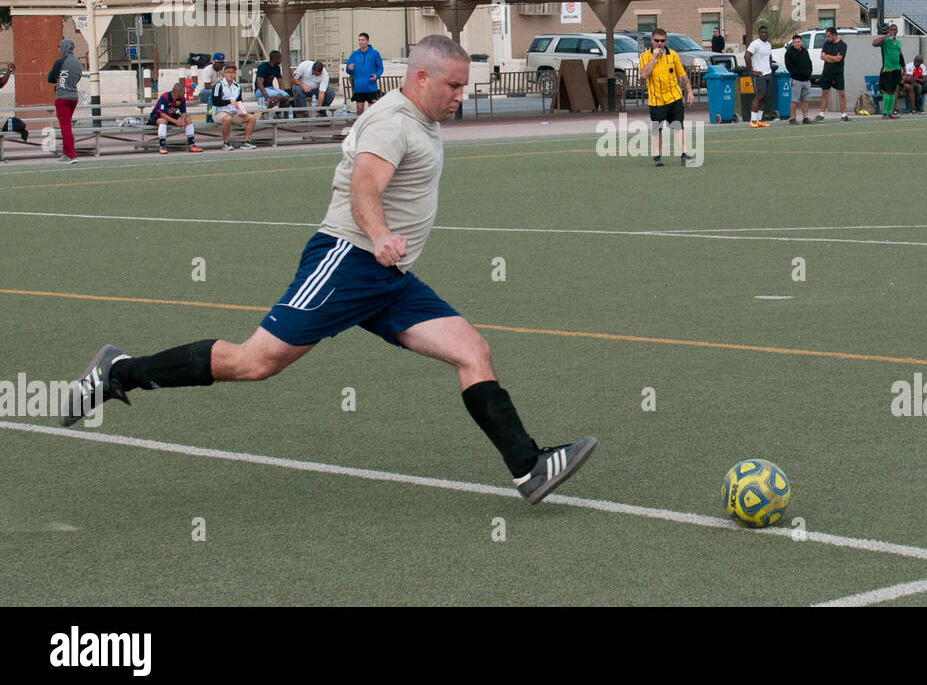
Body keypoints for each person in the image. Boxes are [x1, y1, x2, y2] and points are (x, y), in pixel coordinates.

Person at [57, 35, 596, 506]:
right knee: (255, 362)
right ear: (422, 76)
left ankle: (528, 467)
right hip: (348, 260)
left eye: (464, 87)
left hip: (388, 278)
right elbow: (365, 186)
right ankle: (118, 373)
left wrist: (388, 250)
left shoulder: (420, 117)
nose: (460, 96)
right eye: (454, 86)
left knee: (471, 350)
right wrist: (380, 234)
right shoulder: (391, 122)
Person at [638, 27, 695, 166]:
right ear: (652, 40)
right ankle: (657, 157)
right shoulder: (645, 56)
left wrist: (689, 91)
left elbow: (682, 75)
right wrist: (653, 58)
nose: (659, 43)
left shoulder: (673, 55)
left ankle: (684, 154)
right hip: (656, 100)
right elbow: (644, 74)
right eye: (656, 40)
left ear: (665, 41)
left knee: (678, 125)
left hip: (674, 97)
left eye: (662, 41)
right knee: (657, 128)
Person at [47, 38, 82, 163]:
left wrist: (59, 79)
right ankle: (66, 153)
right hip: (74, 97)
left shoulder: (60, 61)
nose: (58, 49)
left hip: (62, 97)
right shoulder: (78, 63)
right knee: (66, 126)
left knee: (65, 127)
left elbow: (50, 78)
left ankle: (71, 154)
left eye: (59, 46)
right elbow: (78, 78)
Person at [211, 65, 259, 150]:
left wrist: (242, 111)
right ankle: (226, 143)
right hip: (219, 112)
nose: (231, 74)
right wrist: (229, 101)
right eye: (228, 72)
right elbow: (215, 101)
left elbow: (239, 101)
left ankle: (245, 142)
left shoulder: (237, 86)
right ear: (224, 74)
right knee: (227, 118)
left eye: (233, 72)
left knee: (251, 118)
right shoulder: (219, 85)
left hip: (234, 113)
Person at [149, 81, 203, 154]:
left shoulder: (182, 99)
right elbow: (163, 114)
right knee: (163, 121)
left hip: (171, 115)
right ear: (177, 92)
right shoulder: (165, 97)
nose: (184, 93)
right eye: (183, 92)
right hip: (157, 116)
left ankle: (191, 145)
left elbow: (183, 112)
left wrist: (182, 120)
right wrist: (176, 122)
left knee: (188, 120)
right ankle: (162, 146)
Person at [816, 27, 850, 121]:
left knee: (841, 93)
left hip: (838, 72)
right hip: (827, 72)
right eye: (827, 36)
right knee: (824, 92)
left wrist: (828, 57)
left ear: (834, 35)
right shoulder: (826, 44)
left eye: (829, 36)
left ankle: (844, 115)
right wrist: (832, 58)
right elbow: (822, 57)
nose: (827, 38)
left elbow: (839, 59)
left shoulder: (843, 45)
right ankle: (821, 114)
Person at [346, 32, 384, 114]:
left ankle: (373, 127)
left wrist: (377, 75)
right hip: (359, 87)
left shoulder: (375, 53)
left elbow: (380, 67)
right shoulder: (354, 54)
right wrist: (349, 68)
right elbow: (348, 70)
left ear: (367, 41)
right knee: (359, 110)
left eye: (363, 40)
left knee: (373, 111)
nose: (360, 42)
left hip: (371, 87)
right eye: (359, 40)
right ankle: (360, 127)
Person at [743, 26, 773, 128]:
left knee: (764, 97)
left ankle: (759, 120)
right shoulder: (755, 44)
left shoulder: (768, 44)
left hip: (768, 74)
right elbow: (747, 56)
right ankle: (753, 121)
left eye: (766, 32)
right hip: (758, 75)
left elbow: (769, 56)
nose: (765, 34)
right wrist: (752, 71)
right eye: (763, 32)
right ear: (759, 33)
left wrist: (769, 67)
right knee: (758, 96)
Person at [870, 23, 902, 120]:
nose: (893, 31)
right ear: (888, 31)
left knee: (893, 91)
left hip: (897, 69)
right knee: (888, 91)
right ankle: (884, 113)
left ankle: (890, 112)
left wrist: (903, 68)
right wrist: (885, 36)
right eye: (891, 29)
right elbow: (874, 43)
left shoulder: (898, 42)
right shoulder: (885, 41)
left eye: (894, 29)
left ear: (897, 31)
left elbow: (900, 55)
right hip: (888, 69)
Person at [783, 34, 813, 124]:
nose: (797, 43)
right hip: (796, 80)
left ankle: (805, 118)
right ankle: (792, 118)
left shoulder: (805, 51)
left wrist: (809, 73)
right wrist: (798, 74)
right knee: (794, 100)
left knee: (805, 100)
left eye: (798, 42)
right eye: (795, 42)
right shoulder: (789, 53)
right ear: (793, 43)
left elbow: (809, 63)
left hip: (806, 80)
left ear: (801, 42)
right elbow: (789, 66)